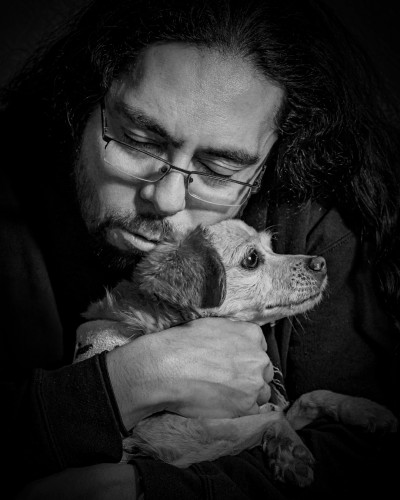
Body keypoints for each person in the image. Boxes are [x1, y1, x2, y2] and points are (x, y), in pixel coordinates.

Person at [0, 0, 399, 498]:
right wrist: (127, 383)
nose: (167, 198)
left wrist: (139, 488)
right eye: (140, 139)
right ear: (82, 103)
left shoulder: (316, 224)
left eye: (219, 170)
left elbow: (366, 455)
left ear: (268, 165)